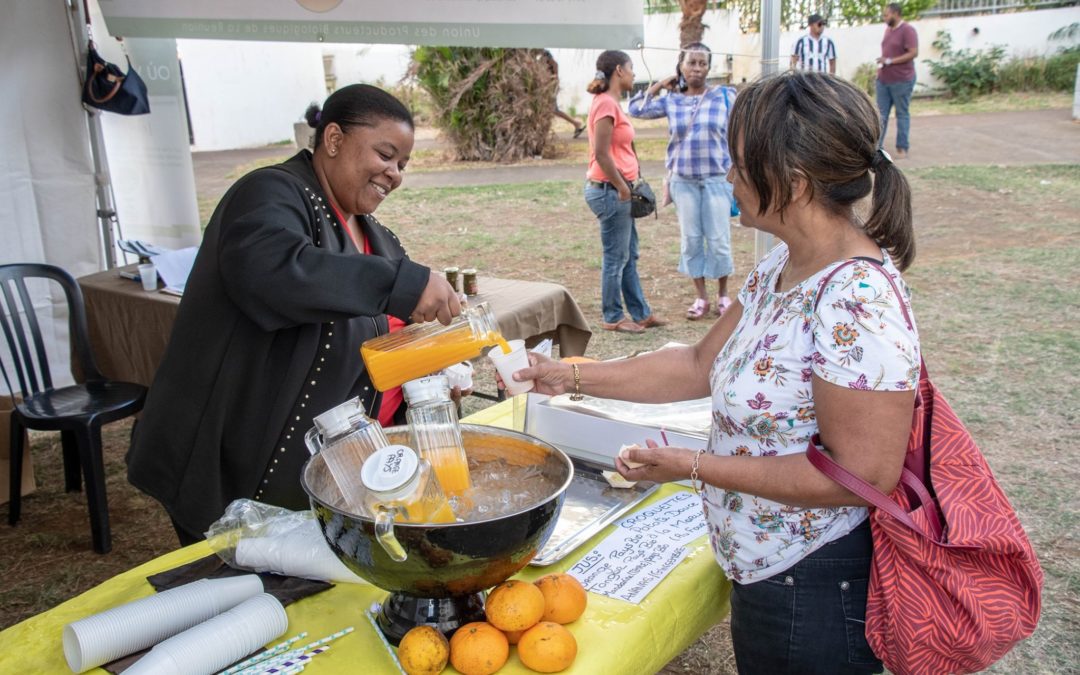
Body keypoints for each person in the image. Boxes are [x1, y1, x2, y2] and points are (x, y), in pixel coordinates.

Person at [514, 71, 918, 674]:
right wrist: (569, 377)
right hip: (762, 566)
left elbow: (861, 476)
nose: (729, 178)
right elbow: (699, 364)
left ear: (794, 183)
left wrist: (693, 465)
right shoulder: (784, 264)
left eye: (740, 165)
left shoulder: (858, 299)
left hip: (813, 578)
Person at [127, 84, 460, 545]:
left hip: (324, 469)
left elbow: (378, 337)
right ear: (334, 139)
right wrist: (403, 284)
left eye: (402, 164)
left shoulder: (379, 238)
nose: (394, 174)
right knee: (238, 577)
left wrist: (425, 374)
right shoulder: (269, 193)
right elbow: (273, 274)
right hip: (228, 458)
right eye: (385, 155)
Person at [629, 42, 738, 321]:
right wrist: (659, 85)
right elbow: (636, 109)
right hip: (683, 181)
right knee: (691, 240)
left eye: (702, 63)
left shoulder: (724, 96)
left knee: (719, 240)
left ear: (709, 67)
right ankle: (701, 297)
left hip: (717, 179)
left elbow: (743, 124)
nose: (697, 68)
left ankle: (723, 295)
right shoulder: (672, 100)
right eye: (691, 62)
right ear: (681, 66)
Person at [584, 50, 667, 334]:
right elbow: (601, 153)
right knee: (616, 258)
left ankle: (641, 313)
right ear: (619, 70)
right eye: (631, 68)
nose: (634, 74)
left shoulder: (611, 103)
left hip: (618, 189)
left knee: (628, 255)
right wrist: (622, 187)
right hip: (610, 191)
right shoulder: (606, 104)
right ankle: (613, 317)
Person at [876, 2, 919, 158]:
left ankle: (902, 147)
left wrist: (889, 61)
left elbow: (913, 52)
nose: (884, 17)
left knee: (901, 114)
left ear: (896, 14)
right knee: (880, 114)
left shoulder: (907, 30)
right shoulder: (888, 30)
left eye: (886, 15)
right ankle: (877, 148)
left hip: (902, 80)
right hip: (883, 80)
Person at [540, 50, 586, 139]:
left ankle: (576, 123)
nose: (542, 60)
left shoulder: (553, 65)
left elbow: (555, 78)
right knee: (551, 111)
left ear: (547, 58)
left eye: (543, 58)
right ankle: (576, 123)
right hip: (548, 90)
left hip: (551, 90)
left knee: (554, 110)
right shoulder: (547, 65)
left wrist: (550, 87)